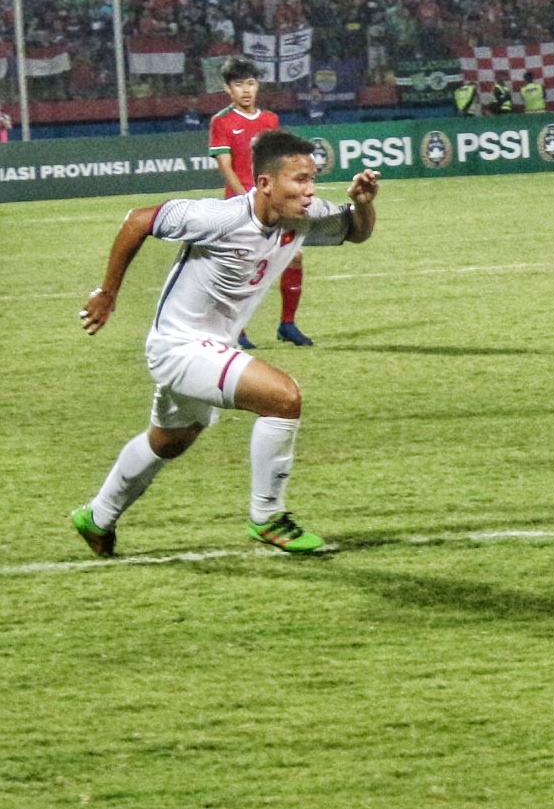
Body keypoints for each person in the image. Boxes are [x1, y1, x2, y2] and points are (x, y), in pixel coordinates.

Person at [69, 130, 381, 558]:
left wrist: (363, 203)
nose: (309, 191)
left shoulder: (303, 217)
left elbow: (356, 233)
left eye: (312, 179)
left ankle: (97, 516)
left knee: (170, 441)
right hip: (178, 347)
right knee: (283, 399)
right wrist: (107, 293)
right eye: (300, 180)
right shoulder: (219, 218)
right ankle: (268, 517)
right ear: (266, 184)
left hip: (213, 346)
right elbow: (138, 220)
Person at [208, 58, 314, 348]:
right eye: (239, 84)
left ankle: (288, 325)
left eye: (251, 83)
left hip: (273, 204)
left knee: (295, 256)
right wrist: (246, 196)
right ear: (227, 89)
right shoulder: (221, 121)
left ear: (258, 86)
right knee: (245, 266)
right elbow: (225, 165)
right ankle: (237, 330)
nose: (246, 90)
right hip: (241, 205)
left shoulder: (270, 121)